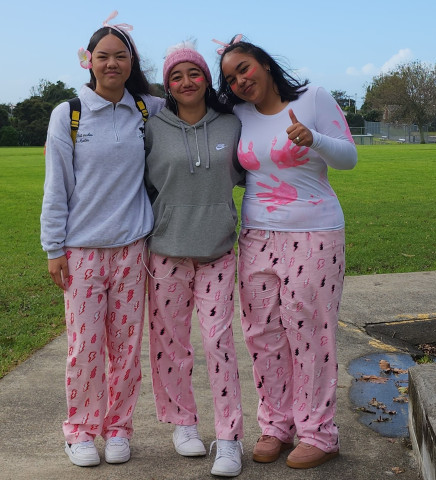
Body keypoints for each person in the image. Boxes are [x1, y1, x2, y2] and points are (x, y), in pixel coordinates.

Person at [216, 35, 358, 470]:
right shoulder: (238, 114)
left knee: (310, 334)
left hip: (315, 234)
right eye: (231, 78)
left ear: (264, 64)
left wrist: (312, 137)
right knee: (262, 333)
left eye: (244, 68)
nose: (240, 81)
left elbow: (349, 158)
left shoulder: (313, 97)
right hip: (256, 236)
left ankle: (318, 432)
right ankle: (276, 424)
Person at [40, 11, 164, 467]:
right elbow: (57, 187)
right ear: (88, 61)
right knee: (85, 348)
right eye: (103, 56)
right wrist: (54, 248)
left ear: (132, 63)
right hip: (83, 251)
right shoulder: (68, 114)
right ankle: (80, 430)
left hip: (134, 249)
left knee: (126, 350)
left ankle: (118, 429)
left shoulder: (148, 109)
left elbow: (195, 106)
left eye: (121, 56)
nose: (112, 64)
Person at [144, 41, 245, 477]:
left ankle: (229, 438)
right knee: (171, 346)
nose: (186, 82)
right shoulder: (152, 125)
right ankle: (183, 423)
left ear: (207, 79)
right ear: (167, 84)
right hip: (166, 251)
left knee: (218, 343)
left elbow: (250, 173)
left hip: (218, 251)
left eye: (194, 73)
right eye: (176, 76)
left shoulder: (231, 123)